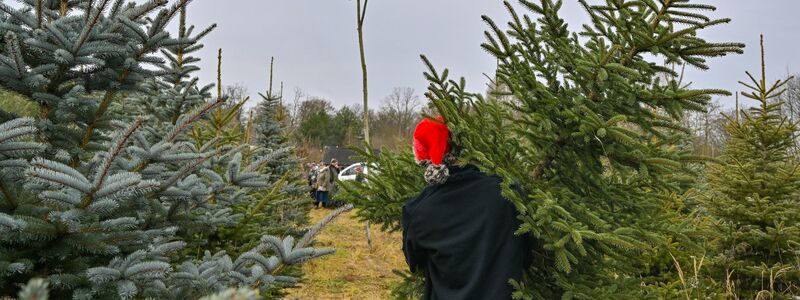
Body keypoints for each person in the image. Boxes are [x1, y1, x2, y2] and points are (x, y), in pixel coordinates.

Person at [402, 116, 531, 300]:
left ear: (426, 161)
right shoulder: (508, 191)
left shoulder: (417, 210)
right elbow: (526, 255)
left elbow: (415, 263)